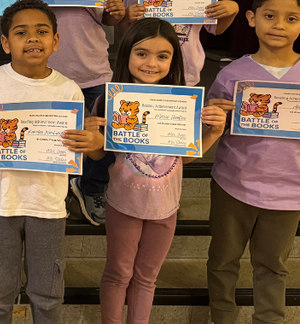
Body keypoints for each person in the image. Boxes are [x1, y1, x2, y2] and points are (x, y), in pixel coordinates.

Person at [0, 0, 105, 324]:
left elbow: (85, 148)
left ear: (55, 41)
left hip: (48, 204)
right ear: (5, 42)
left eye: (42, 31)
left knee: (48, 290)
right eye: (21, 32)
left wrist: (93, 143)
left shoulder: (69, 90)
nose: (32, 39)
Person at [96, 18, 226, 324]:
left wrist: (213, 134)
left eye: (162, 56)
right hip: (123, 204)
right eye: (142, 53)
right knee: (118, 274)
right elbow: (98, 152)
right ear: (126, 54)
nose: (151, 63)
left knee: (146, 277)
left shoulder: (183, 104)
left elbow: (184, 159)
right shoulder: (110, 100)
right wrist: (91, 137)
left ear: (174, 60)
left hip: (165, 208)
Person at [24, 0, 125, 226]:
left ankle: (90, 186)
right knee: (53, 136)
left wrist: (115, 10)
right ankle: (54, 189)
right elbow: (29, 16)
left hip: (93, 70)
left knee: (101, 136)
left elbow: (107, 18)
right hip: (52, 73)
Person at [206, 0, 300, 324]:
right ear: (251, 18)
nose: (279, 25)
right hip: (234, 186)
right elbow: (213, 126)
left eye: (291, 18)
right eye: (270, 15)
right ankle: (222, 319)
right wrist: (214, 116)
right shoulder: (232, 74)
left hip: (289, 195)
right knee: (222, 261)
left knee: (273, 267)